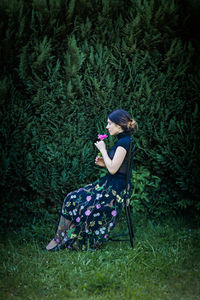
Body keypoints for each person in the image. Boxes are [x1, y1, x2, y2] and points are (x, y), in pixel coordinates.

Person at [44, 109, 138, 251]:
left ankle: (71, 240)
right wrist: (104, 162)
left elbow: (113, 169)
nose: (107, 127)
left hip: (117, 188)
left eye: (109, 123)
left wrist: (103, 150)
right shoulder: (123, 140)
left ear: (119, 125)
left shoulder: (123, 143)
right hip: (110, 183)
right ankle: (60, 238)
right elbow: (117, 166)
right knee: (72, 198)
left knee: (84, 204)